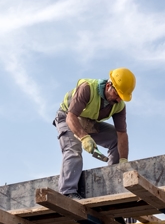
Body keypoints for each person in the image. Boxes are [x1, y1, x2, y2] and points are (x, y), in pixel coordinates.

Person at [53, 68, 136, 200]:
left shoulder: (119, 106)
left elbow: (121, 134)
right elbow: (71, 117)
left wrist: (123, 160)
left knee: (115, 139)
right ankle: (68, 193)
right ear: (109, 86)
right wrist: (84, 137)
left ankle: (113, 183)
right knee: (73, 150)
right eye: (117, 94)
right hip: (67, 117)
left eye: (122, 97)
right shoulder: (87, 88)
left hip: (88, 122)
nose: (119, 99)